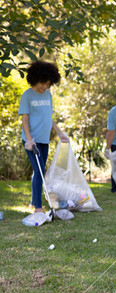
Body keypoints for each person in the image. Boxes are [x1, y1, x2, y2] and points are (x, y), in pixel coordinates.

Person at [19, 60, 69, 213]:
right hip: (31, 140)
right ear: (35, 79)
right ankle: (38, 206)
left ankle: (34, 201)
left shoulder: (48, 95)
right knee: (40, 169)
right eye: (42, 83)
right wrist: (28, 139)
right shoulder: (27, 96)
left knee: (38, 171)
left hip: (44, 139)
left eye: (47, 84)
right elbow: (25, 119)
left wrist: (60, 133)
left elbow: (49, 117)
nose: (44, 87)